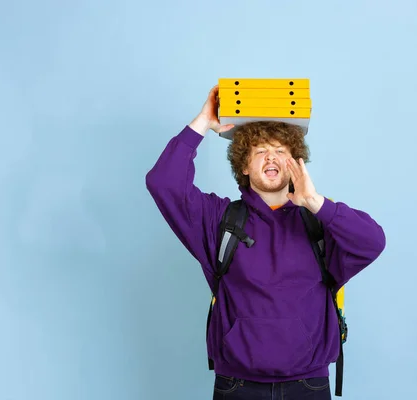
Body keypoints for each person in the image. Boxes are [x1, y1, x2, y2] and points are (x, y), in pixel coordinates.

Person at [145, 85, 386, 399]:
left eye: (281, 151)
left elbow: (373, 241)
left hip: (308, 385)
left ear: (295, 164)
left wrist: (314, 202)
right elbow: (163, 182)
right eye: (260, 151)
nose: (271, 157)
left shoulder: (321, 221)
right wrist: (203, 121)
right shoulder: (219, 220)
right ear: (244, 166)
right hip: (237, 385)